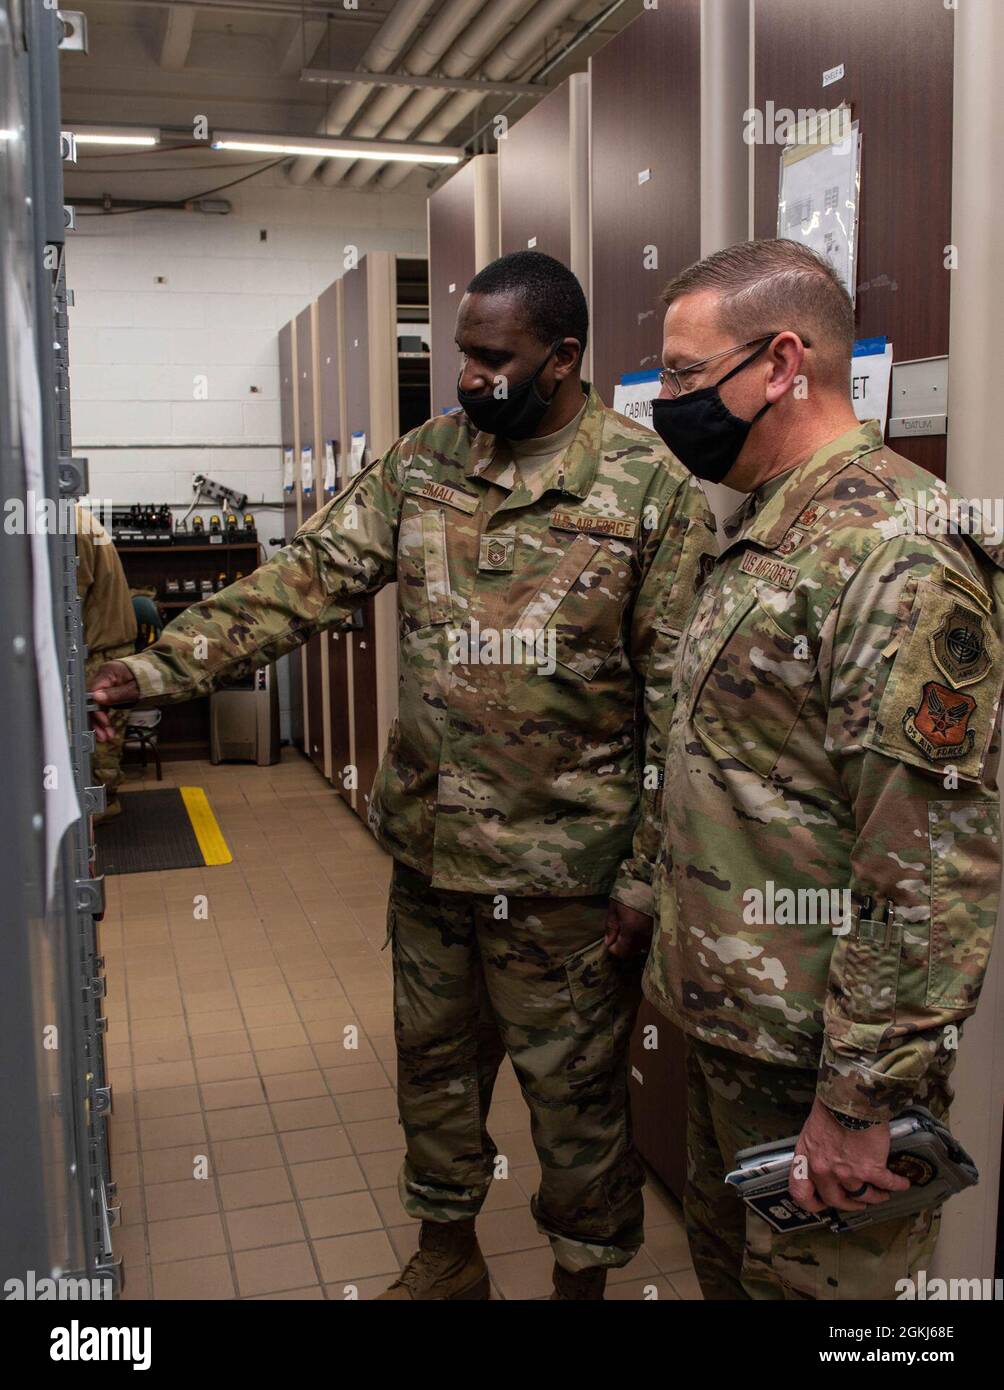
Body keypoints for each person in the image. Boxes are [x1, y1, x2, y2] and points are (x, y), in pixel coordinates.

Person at [90, 251, 717, 1300]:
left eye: (490, 358)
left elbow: (676, 711)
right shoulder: (426, 460)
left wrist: (644, 877)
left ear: (561, 359)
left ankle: (580, 1281)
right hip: (431, 860)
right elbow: (303, 582)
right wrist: (151, 668)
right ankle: (446, 1255)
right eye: (459, 356)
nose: (467, 379)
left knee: (575, 1106)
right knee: (432, 1079)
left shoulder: (645, 490)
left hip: (564, 879)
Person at [642, 236, 1004, 1300]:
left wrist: (859, 1095)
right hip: (737, 1037)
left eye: (677, 373)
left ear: (780, 363)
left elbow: (928, 864)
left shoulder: (895, 548)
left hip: (819, 1064)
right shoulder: (768, 523)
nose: (662, 400)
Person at [76, 504, 138, 821]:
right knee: (100, 730)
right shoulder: (75, 516)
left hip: (103, 647)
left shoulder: (69, 524)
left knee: (99, 735)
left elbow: (71, 594)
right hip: (108, 640)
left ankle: (102, 803)